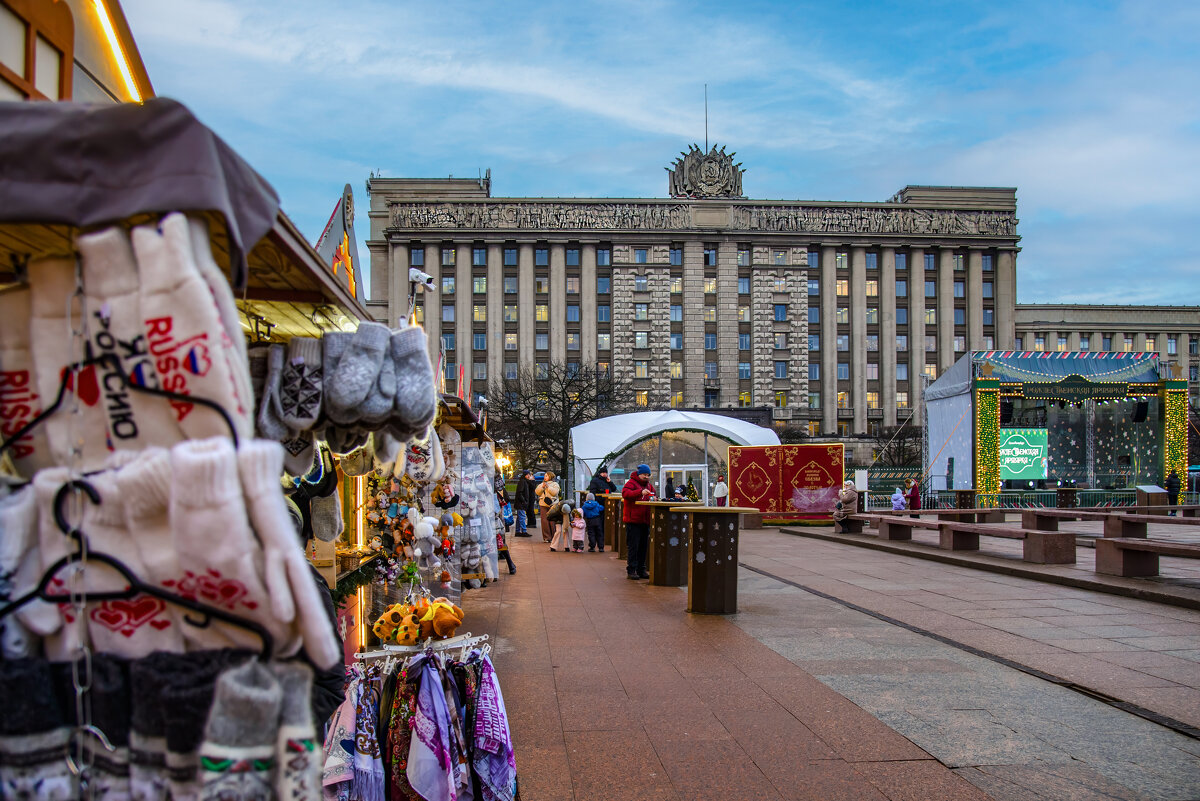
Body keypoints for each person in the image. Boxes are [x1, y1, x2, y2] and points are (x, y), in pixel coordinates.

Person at [622, 463, 655, 580]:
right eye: (645, 474)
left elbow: (653, 494)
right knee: (633, 546)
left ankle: (641, 569)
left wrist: (654, 498)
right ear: (639, 474)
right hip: (633, 521)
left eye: (648, 475)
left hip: (644, 521)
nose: (646, 477)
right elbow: (625, 494)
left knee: (643, 546)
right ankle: (631, 569)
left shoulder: (649, 486)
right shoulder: (631, 483)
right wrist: (640, 492)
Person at [536, 471, 557, 543]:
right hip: (543, 504)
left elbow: (555, 493)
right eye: (544, 476)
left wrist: (548, 487)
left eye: (546, 476)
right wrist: (542, 487)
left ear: (550, 476)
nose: (545, 477)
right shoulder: (541, 484)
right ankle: (546, 537)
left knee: (552, 520)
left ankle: (554, 536)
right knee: (544, 521)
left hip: (552, 504)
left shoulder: (555, 484)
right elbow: (537, 492)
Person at [514, 468, 535, 537]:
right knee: (522, 517)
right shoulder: (523, 482)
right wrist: (524, 501)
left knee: (519, 517)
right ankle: (524, 531)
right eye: (529, 474)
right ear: (526, 475)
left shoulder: (523, 481)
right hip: (521, 503)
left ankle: (517, 531)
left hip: (520, 502)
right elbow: (520, 493)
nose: (529, 476)